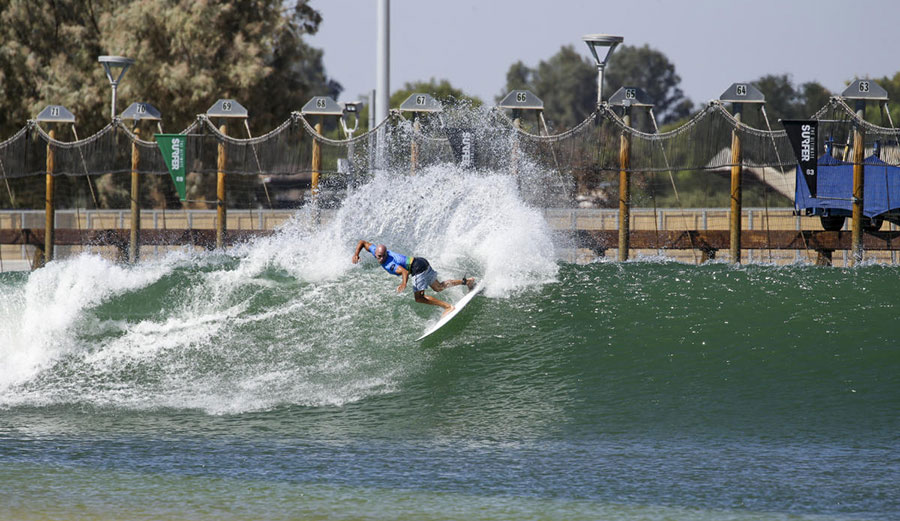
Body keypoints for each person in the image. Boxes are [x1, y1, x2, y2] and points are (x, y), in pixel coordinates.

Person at [352, 240, 475, 315]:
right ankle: (467, 281)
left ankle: (448, 307)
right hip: (421, 261)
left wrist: (404, 283)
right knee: (438, 287)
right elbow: (362, 242)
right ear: (376, 253)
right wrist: (356, 254)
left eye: (383, 256)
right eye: (378, 256)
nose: (381, 259)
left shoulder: (390, 263)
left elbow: (404, 271)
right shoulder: (375, 250)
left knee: (419, 298)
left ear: (386, 253)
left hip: (416, 268)